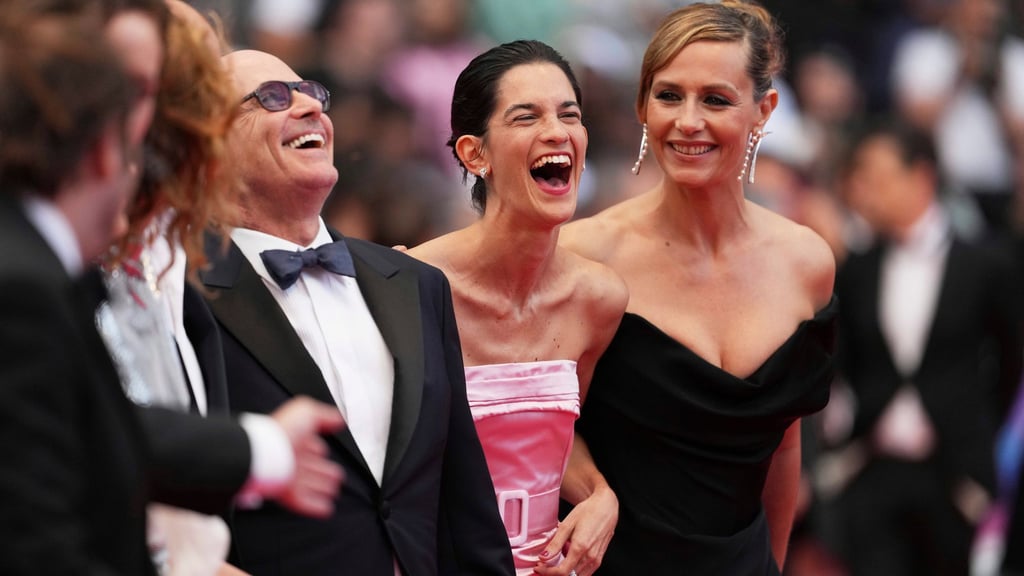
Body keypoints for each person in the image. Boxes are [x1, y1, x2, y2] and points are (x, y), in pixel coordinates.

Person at [0, 7, 344, 575]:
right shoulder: (28, 284)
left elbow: (97, 425)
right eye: (187, 93)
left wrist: (256, 449)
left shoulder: (161, 264)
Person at [198, 48, 514, 575]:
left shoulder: (415, 284)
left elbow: (465, 502)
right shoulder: (185, 295)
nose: (309, 107)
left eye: (313, 92)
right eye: (273, 97)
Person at [559, 2, 838, 574]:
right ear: (642, 105)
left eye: (715, 99)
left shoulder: (806, 263)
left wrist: (772, 565)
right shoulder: (583, 256)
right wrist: (593, 492)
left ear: (763, 111)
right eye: (668, 96)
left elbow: (784, 448)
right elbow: (536, 426)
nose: (687, 121)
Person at [406, 40, 627, 576]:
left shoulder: (599, 298)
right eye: (526, 116)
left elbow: (553, 434)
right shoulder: (407, 285)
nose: (557, 132)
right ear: (473, 154)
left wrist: (600, 496)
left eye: (569, 115)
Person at [834, 119, 1023, 576]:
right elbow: (845, 362)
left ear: (921, 177)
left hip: (955, 476)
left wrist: (976, 432)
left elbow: (1013, 363)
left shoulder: (986, 263)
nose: (865, 191)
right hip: (874, 467)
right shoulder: (857, 267)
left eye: (878, 178)